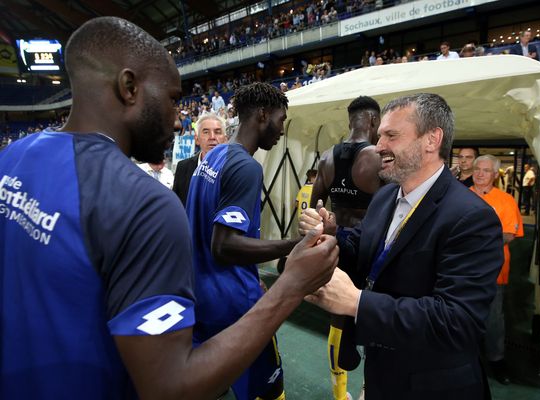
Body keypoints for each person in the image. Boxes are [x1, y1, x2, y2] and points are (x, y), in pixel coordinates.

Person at [0, 17, 339, 400]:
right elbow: (169, 388)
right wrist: (291, 285)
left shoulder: (13, 157)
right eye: (173, 99)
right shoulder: (140, 201)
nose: (178, 119)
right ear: (129, 88)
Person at [301, 93, 504, 400]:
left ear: (432, 139)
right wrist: (334, 236)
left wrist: (356, 302)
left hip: (433, 386)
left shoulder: (472, 217)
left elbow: (456, 322)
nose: (379, 146)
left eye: (391, 136)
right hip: (383, 371)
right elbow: (365, 249)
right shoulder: (385, 196)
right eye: (380, 134)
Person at [186, 82, 309, 400]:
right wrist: (293, 244)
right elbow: (224, 245)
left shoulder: (211, 160)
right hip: (236, 305)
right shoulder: (245, 166)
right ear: (264, 115)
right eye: (281, 120)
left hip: (203, 298)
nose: (282, 130)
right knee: (269, 391)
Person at [309, 95, 382, 400]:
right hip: (369, 251)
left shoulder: (327, 157)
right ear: (374, 121)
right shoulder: (378, 157)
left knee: (338, 318)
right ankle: (370, 390)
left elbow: (313, 206)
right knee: (375, 319)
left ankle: (340, 395)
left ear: (350, 120)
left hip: (338, 249)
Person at [471, 155, 523, 385]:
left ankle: (496, 360)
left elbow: (508, 235)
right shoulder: (459, 194)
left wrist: (469, 239)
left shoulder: (505, 200)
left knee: (493, 320)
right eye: (477, 169)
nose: (480, 174)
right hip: (460, 271)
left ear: (495, 175)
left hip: (494, 272)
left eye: (485, 170)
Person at [173, 114, 227, 205]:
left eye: (217, 132)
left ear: (225, 140)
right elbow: (176, 205)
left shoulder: (236, 169)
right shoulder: (183, 167)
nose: (212, 137)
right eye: (206, 132)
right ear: (197, 139)